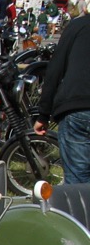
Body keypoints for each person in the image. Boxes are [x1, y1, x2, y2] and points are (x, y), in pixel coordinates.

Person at [34, 11, 90, 183]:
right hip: (77, 106)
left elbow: (55, 70)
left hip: (76, 106)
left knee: (77, 179)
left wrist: (43, 114)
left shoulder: (78, 26)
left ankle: (79, 209)